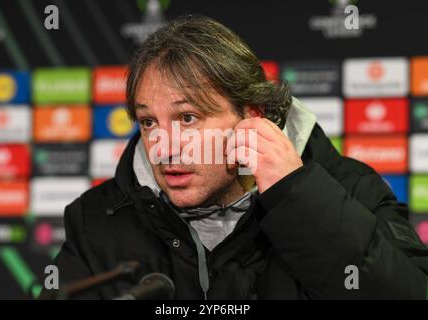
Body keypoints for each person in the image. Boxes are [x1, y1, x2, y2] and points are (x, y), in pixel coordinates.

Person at [43, 15, 428, 299]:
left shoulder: (350, 190)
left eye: (188, 117)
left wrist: (298, 198)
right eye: (148, 122)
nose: (163, 146)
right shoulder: (96, 218)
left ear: (252, 115)